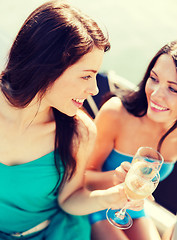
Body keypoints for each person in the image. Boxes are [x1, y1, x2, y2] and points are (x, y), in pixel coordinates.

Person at [0, 1, 146, 239]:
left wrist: (112, 196)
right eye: (86, 76)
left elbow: (69, 200)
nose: (94, 89)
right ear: (48, 69)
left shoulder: (80, 132)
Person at [85, 40, 177, 240]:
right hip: (96, 204)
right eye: (154, 78)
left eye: (173, 89)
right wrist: (116, 179)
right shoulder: (116, 113)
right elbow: (82, 179)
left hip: (134, 210)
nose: (155, 94)